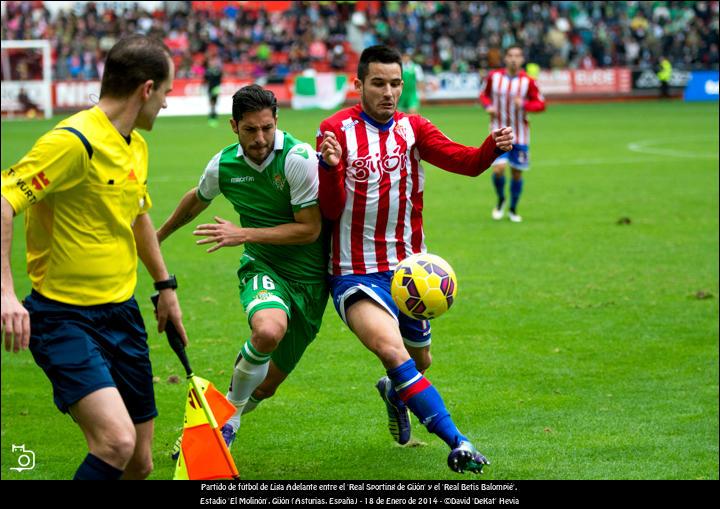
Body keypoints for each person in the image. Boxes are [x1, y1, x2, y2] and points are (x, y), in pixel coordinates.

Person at [317, 45, 513, 474]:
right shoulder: (335, 129)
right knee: (392, 350)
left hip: (408, 272)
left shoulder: (414, 128)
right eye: (378, 83)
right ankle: (458, 442)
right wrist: (329, 168)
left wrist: (489, 149)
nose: (388, 92)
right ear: (359, 84)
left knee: (418, 362)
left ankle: (394, 391)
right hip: (354, 272)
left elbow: (464, 163)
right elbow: (329, 211)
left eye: (395, 84)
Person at [0, 35, 187, 480]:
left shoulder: (134, 145)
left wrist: (165, 287)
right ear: (146, 89)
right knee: (115, 442)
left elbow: (137, 216)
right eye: (166, 92)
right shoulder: (72, 142)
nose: (165, 103)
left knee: (139, 463)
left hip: (122, 315)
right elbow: (4, 201)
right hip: (65, 318)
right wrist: (6, 293)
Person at [157, 84, 327, 451]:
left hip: (312, 282)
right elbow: (196, 198)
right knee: (267, 330)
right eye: (250, 129)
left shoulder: (297, 158)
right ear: (234, 126)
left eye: (267, 127)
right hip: (263, 267)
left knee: (265, 386)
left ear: (276, 121)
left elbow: (310, 230)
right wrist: (157, 237)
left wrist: (242, 232)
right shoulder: (224, 164)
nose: (261, 138)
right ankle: (227, 424)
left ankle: (212, 425)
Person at [479, 45, 545, 223]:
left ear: (522, 59)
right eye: (510, 55)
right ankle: (501, 200)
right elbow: (483, 95)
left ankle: (514, 209)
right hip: (499, 132)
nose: (514, 59)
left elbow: (541, 104)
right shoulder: (494, 77)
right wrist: (488, 107)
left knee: (517, 173)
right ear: (505, 58)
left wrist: (524, 104)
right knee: (499, 170)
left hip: (521, 135)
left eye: (517, 56)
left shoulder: (528, 81)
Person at [204, 55, 223, 127]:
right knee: (212, 104)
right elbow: (205, 80)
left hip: (215, 89)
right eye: (210, 62)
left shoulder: (217, 71)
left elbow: (220, 79)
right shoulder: (207, 71)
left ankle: (213, 116)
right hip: (210, 89)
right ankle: (213, 116)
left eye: (212, 62)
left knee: (213, 103)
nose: (211, 63)